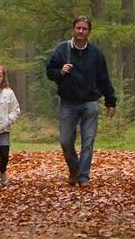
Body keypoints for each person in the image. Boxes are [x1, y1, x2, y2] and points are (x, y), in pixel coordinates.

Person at [45, 15, 116, 187]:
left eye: (84, 29)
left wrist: (111, 101)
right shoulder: (62, 50)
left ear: (89, 31)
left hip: (90, 102)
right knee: (65, 141)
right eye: (78, 28)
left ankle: (83, 177)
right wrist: (60, 71)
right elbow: (49, 72)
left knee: (88, 141)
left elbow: (104, 78)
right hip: (68, 102)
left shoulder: (96, 53)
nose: (81, 31)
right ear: (73, 29)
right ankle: (74, 168)